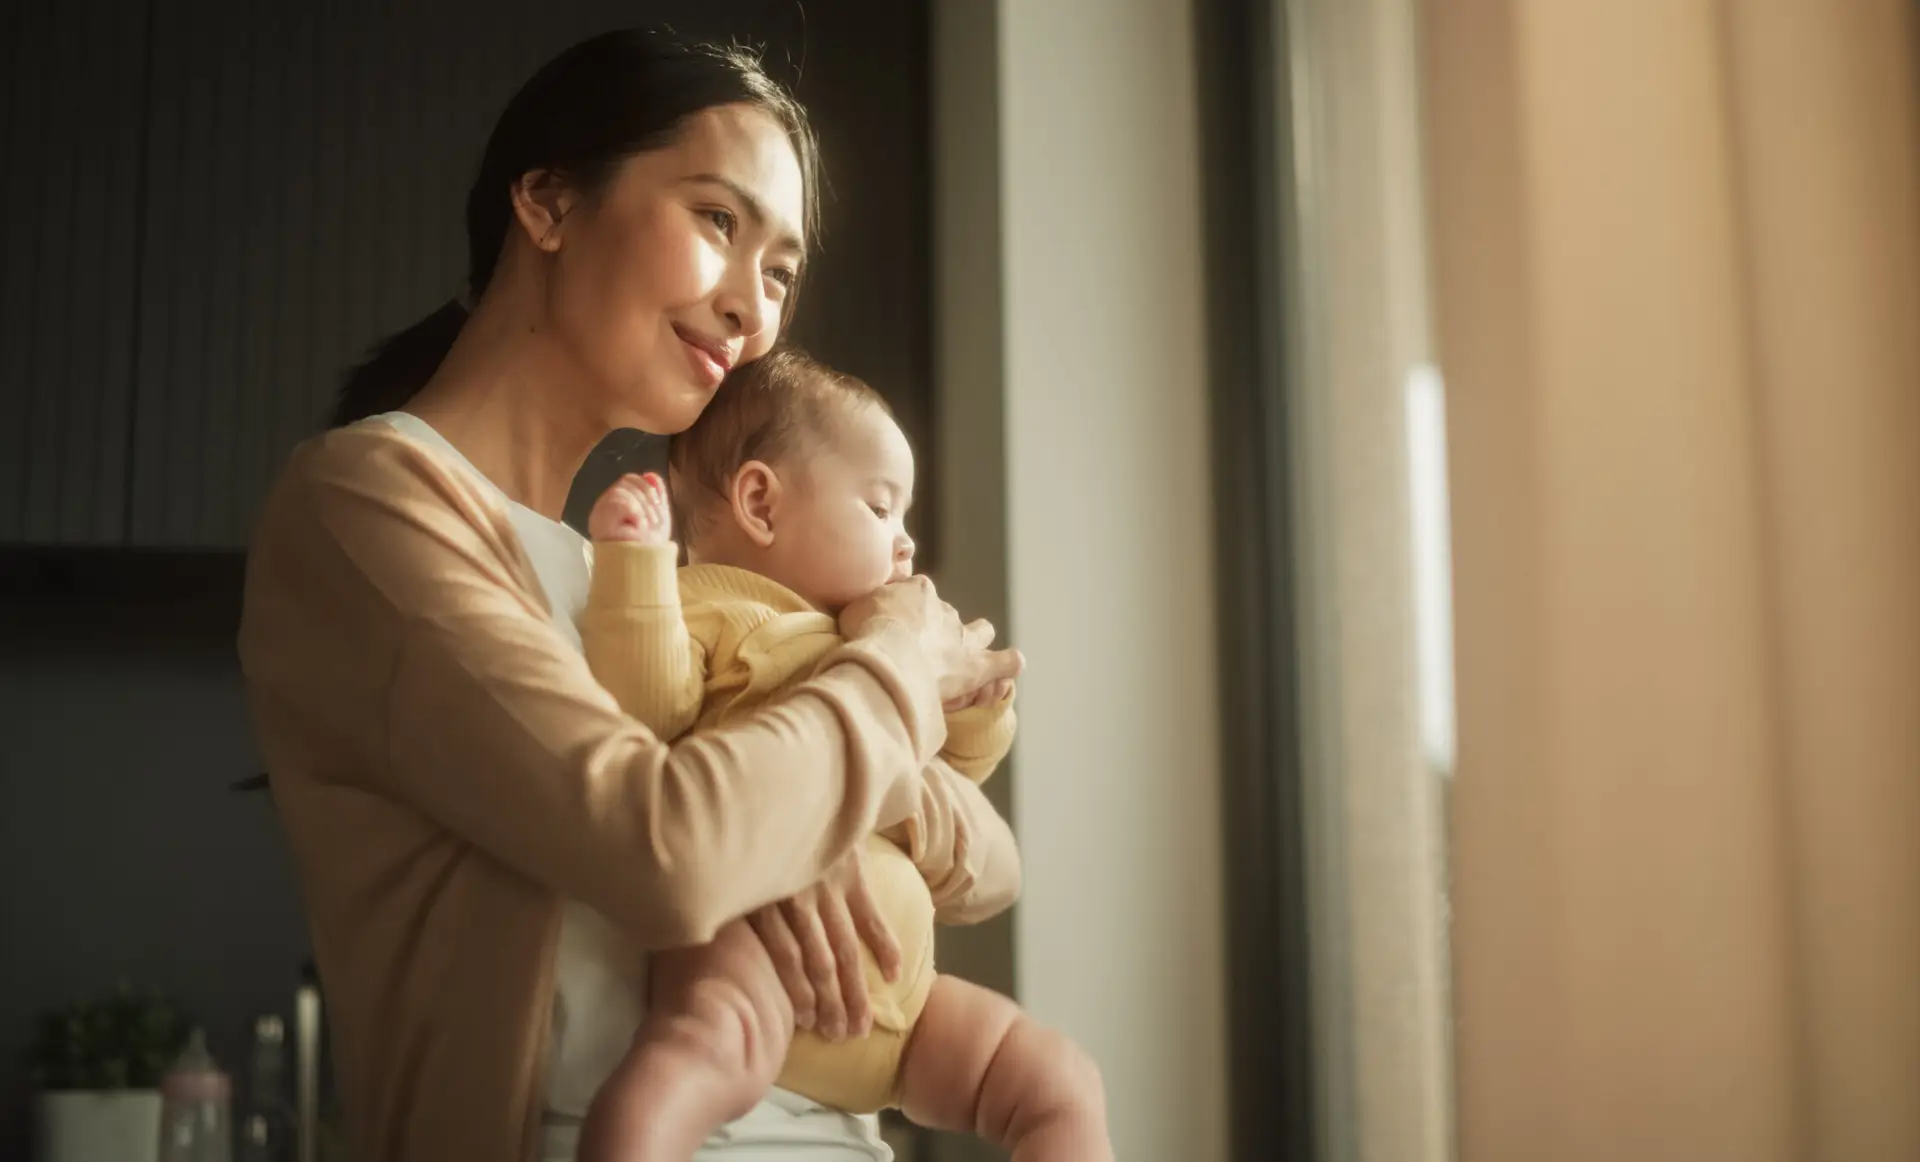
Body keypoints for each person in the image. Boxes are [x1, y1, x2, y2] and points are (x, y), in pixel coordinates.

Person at [237, 29, 1023, 1162]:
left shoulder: (648, 584)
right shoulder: (369, 506)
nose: (753, 306)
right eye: (718, 220)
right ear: (548, 202)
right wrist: (896, 662)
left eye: (784, 270)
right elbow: (670, 848)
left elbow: (982, 861)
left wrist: (803, 801)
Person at [570, 351, 1111, 1162]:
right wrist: (636, 573)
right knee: (686, 1064)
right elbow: (647, 705)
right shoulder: (713, 608)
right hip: (753, 975)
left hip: (900, 1007)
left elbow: (957, 782)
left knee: (1056, 1080)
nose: (906, 542)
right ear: (760, 501)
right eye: (882, 508)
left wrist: (974, 709)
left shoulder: (877, 642)